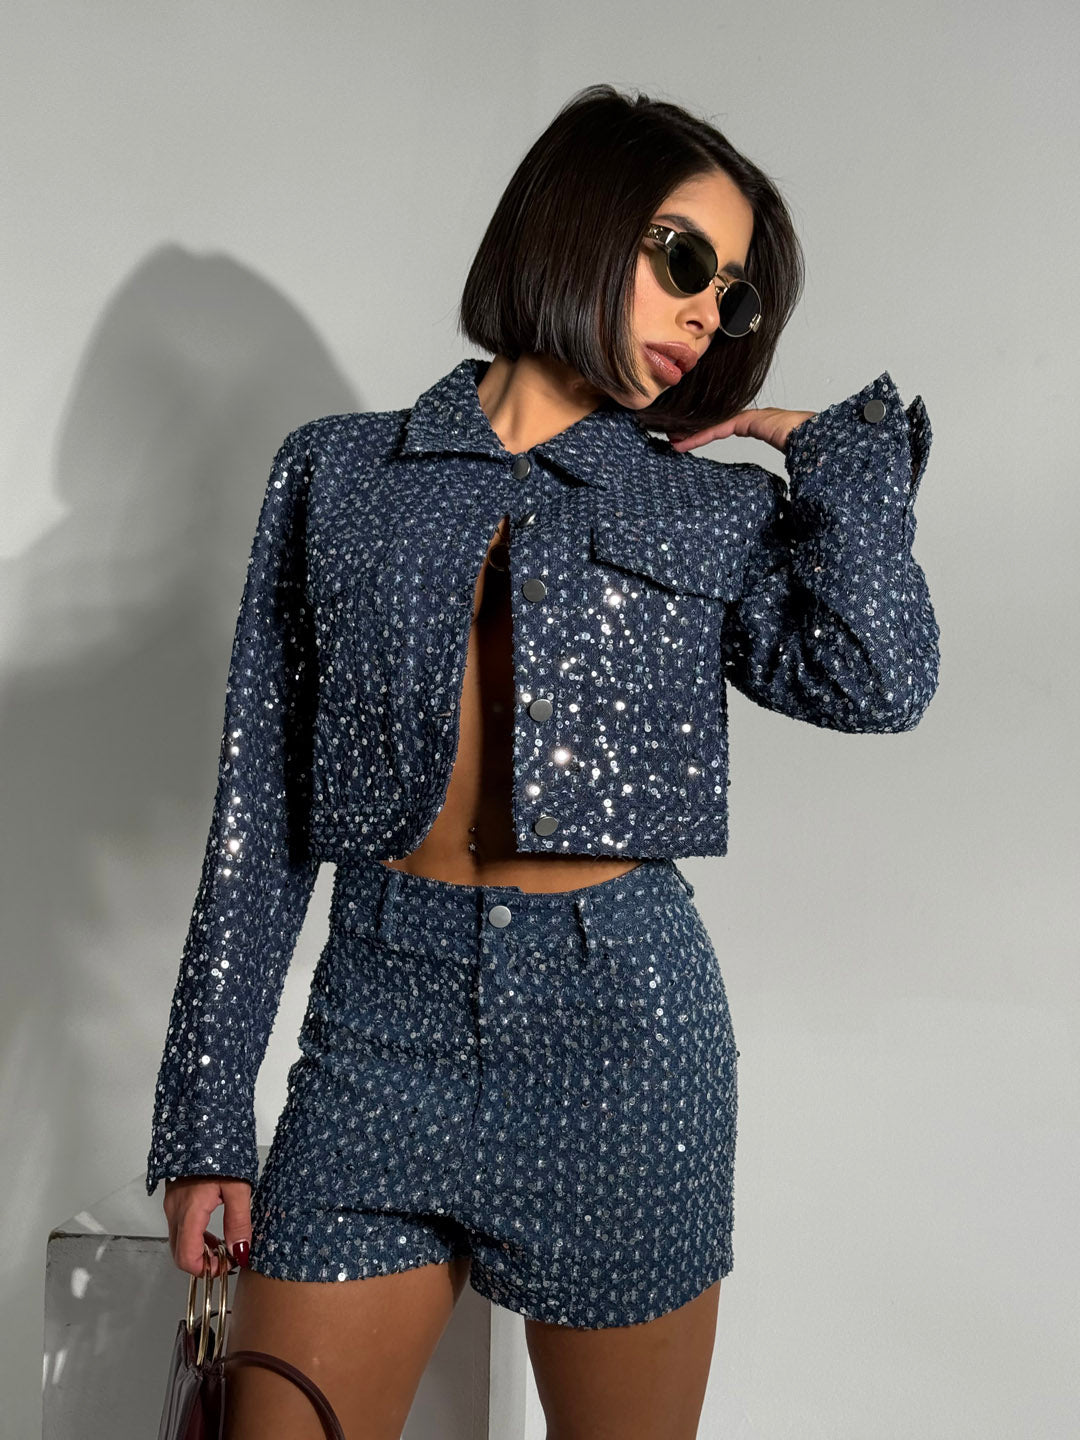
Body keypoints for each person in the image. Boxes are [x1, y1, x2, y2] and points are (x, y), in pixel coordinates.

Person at [146, 83, 940, 1439]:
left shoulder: (707, 508)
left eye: (735, 296)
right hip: (375, 1034)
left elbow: (879, 681)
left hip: (627, 1043)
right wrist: (208, 1110)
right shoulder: (338, 474)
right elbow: (260, 808)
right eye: (684, 261)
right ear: (577, 221)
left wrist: (843, 468)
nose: (707, 314)